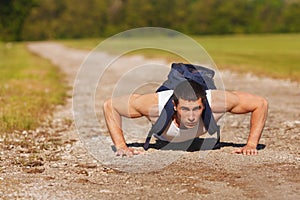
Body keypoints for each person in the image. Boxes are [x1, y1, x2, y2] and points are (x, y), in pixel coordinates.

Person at [103, 79, 268, 157]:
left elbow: (260, 103)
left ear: (203, 104)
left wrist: (251, 144)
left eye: (197, 109)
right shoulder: (155, 106)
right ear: (175, 106)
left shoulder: (218, 102)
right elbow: (110, 105)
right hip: (163, 135)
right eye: (185, 109)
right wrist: (121, 146)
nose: (191, 117)